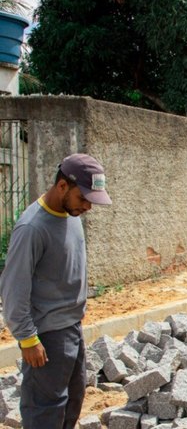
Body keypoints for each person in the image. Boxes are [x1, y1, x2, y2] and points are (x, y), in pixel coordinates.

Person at [0, 154, 112, 428]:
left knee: (72, 402)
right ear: (62, 186)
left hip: (72, 328)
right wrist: (28, 340)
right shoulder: (32, 228)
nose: (87, 207)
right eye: (83, 199)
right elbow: (13, 290)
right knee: (45, 412)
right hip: (47, 336)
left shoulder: (69, 213)